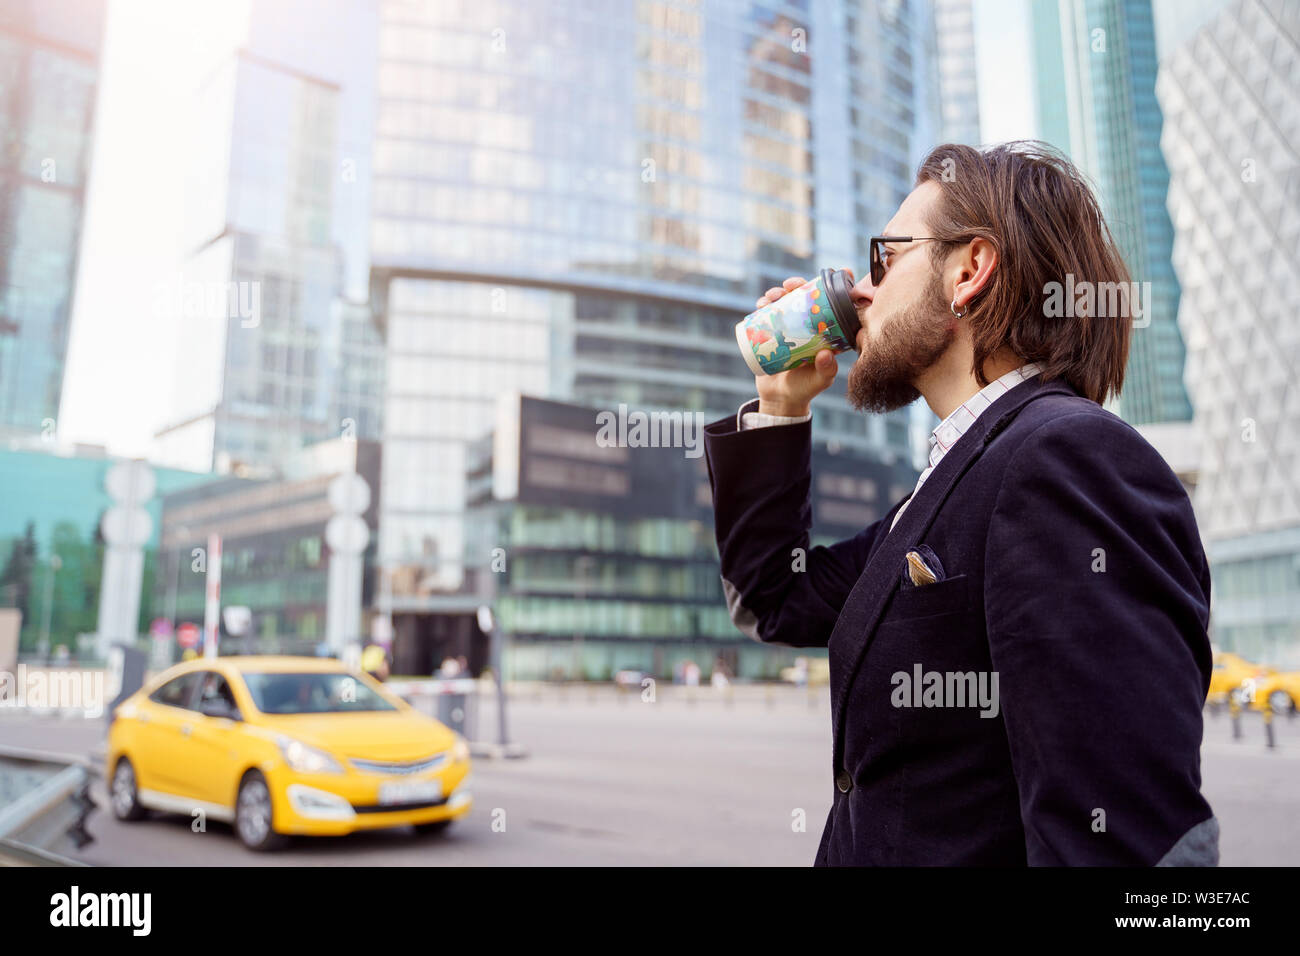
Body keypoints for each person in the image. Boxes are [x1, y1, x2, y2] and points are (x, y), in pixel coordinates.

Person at [704, 142, 1216, 867]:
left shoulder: (1065, 459)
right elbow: (775, 598)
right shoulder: (950, 484)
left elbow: (1127, 846)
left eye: (885, 258)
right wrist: (779, 407)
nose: (863, 293)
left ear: (969, 270)